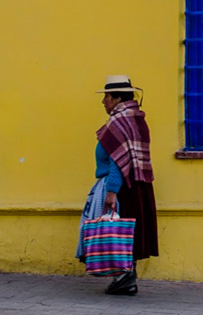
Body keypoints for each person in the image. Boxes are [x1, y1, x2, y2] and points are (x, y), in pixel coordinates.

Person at [75, 75, 159, 296]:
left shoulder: (119, 121)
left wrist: (112, 191)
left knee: (114, 231)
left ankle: (123, 278)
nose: (104, 101)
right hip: (137, 186)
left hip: (122, 187)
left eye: (107, 97)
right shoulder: (136, 119)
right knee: (126, 233)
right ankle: (126, 278)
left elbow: (117, 160)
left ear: (117, 98)